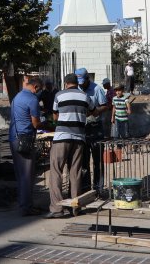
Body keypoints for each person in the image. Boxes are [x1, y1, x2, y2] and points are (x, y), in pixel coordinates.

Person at [46, 73, 91, 218]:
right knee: (75, 172)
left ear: (66, 83)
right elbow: (91, 111)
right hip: (79, 138)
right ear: (77, 83)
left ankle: (57, 209)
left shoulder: (59, 95)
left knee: (56, 171)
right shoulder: (84, 96)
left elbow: (55, 116)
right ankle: (75, 208)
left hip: (61, 137)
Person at [9, 75, 43, 216]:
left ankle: (23, 204)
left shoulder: (17, 97)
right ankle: (26, 207)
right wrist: (46, 124)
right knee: (27, 175)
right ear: (35, 87)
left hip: (13, 137)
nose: (38, 92)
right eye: (38, 90)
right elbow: (35, 123)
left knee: (20, 174)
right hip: (25, 139)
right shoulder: (32, 99)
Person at [75, 67, 108, 193]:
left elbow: (105, 105)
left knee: (98, 160)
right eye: (79, 82)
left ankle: (98, 188)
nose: (81, 84)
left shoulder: (97, 89)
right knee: (83, 160)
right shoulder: (76, 89)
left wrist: (94, 112)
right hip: (81, 128)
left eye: (83, 81)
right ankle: (86, 188)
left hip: (95, 127)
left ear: (88, 78)